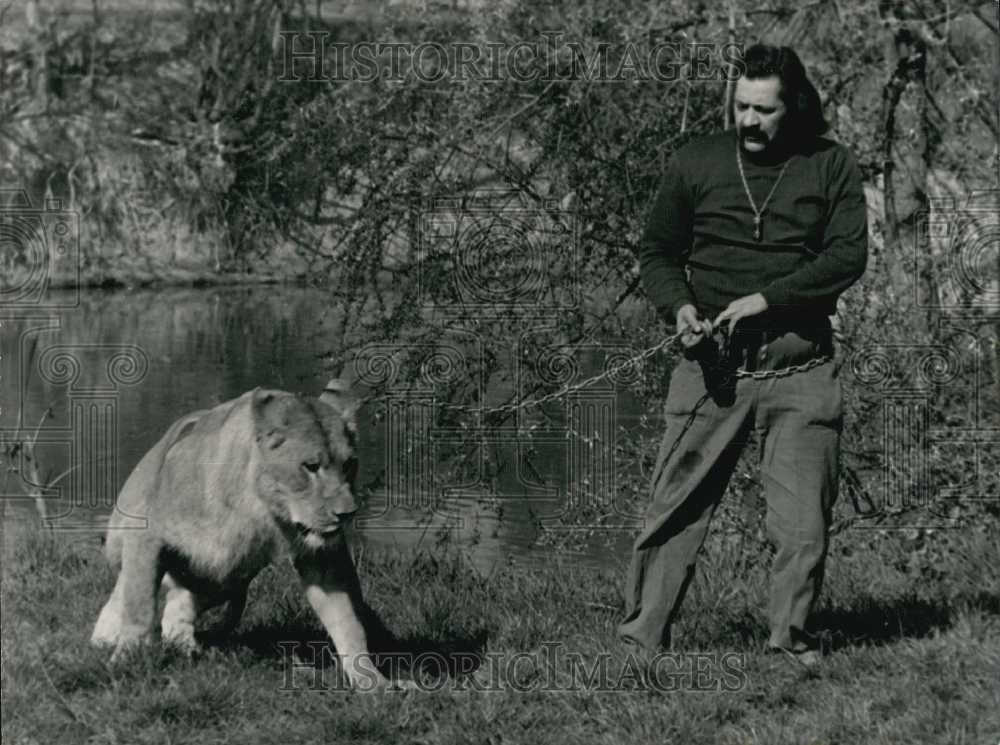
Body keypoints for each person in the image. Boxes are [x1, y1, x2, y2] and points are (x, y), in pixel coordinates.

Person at [619, 43, 868, 664]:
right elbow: (657, 253)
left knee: (803, 525)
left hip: (802, 367)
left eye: (764, 110)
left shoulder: (830, 165)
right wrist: (678, 308)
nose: (749, 121)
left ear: (796, 106)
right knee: (674, 513)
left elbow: (847, 258)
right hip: (710, 370)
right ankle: (640, 646)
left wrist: (770, 300)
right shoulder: (696, 160)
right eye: (741, 106)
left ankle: (790, 644)